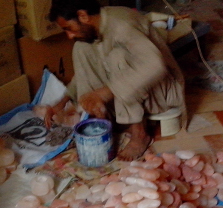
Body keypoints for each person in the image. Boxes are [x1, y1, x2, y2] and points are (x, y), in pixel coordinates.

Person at [48, 0, 186, 161]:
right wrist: (63, 101)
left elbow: (155, 66)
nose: (69, 35)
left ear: (83, 16)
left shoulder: (121, 25)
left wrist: (106, 92)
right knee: (81, 47)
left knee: (117, 57)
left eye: (69, 28)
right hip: (140, 92)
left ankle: (139, 134)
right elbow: (84, 72)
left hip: (164, 91)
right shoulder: (98, 24)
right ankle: (99, 119)